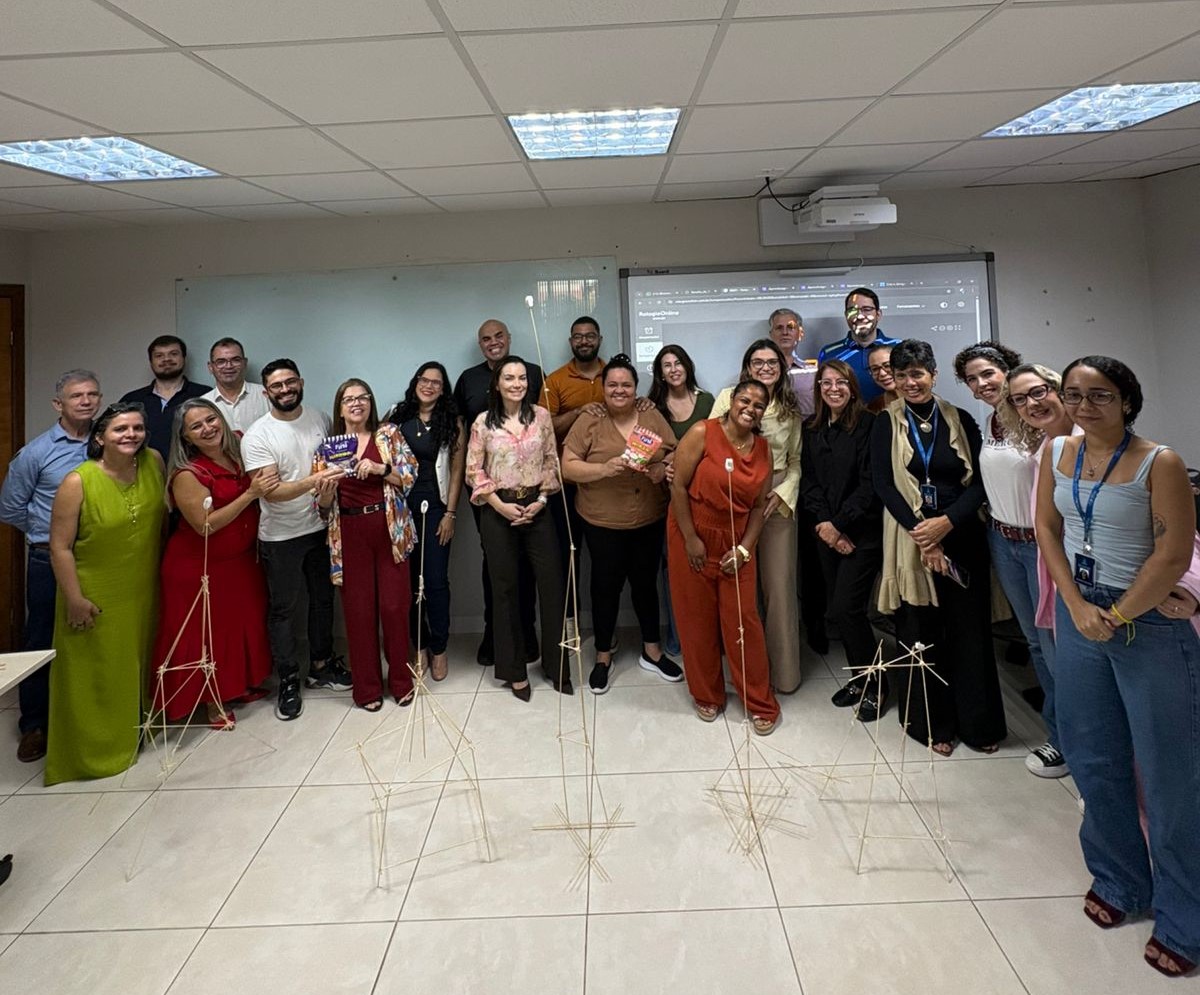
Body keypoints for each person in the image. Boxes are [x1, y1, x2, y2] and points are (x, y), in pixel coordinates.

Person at [1035, 356, 1200, 979]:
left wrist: (1120, 612)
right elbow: (1047, 528)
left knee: (1169, 773)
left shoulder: (1161, 462)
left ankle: (1185, 919)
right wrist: (1077, 606)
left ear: (1127, 400)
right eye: (1073, 394)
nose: (1083, 405)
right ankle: (1120, 880)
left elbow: (1173, 553)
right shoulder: (1058, 453)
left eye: (1099, 395)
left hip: (1147, 621)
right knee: (1093, 756)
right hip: (1082, 616)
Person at [870, 339, 1006, 755]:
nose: (910, 383)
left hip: (962, 533)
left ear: (933, 374)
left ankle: (979, 726)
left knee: (970, 632)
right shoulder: (885, 422)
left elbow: (980, 481)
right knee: (920, 632)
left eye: (917, 374)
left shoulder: (960, 418)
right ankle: (932, 726)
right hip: (911, 539)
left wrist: (947, 523)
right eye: (902, 375)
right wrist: (924, 535)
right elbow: (884, 485)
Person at [956, 343, 1068, 779]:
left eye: (988, 373)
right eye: (972, 379)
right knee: (1037, 643)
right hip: (1004, 541)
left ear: (1008, 371)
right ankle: (1061, 735)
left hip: (1043, 546)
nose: (981, 384)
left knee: (1059, 646)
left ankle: (1073, 741)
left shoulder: (1041, 421)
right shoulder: (991, 423)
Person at [43, 402, 165, 785]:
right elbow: (59, 547)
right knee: (97, 670)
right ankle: (94, 752)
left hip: (143, 584)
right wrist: (75, 599)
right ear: (100, 437)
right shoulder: (78, 482)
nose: (131, 435)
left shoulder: (153, 462)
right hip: (94, 589)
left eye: (137, 428)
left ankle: (135, 730)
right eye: (120, 429)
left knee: (136, 660)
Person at [152, 399, 276, 728]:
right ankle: (211, 702)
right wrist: (249, 495)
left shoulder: (239, 448)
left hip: (240, 562)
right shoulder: (187, 473)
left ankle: (238, 685)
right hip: (200, 567)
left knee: (239, 627)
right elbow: (204, 525)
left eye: (211, 419)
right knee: (206, 635)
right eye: (197, 426)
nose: (208, 429)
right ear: (186, 436)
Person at [562, 354, 679, 693]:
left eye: (626, 385)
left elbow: (675, 451)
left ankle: (652, 651)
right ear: (603, 388)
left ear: (636, 388)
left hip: (648, 518)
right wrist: (603, 469)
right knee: (604, 588)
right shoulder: (591, 419)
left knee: (645, 585)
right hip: (602, 522)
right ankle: (603, 655)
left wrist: (661, 468)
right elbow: (567, 466)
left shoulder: (650, 414)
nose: (619, 390)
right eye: (612, 384)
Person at [668, 379, 779, 733]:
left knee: (744, 622)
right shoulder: (703, 432)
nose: (750, 408)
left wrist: (745, 549)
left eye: (758, 405)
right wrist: (690, 538)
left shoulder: (764, 450)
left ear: (764, 412)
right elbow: (678, 486)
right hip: (693, 533)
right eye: (744, 400)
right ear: (732, 401)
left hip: (737, 542)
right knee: (696, 620)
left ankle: (759, 701)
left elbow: (759, 507)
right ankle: (707, 694)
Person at [0, 370, 100, 762]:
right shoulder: (37, 453)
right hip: (48, 559)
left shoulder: (107, 441)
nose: (86, 401)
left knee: (92, 635)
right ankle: (35, 725)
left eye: (92, 394)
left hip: (97, 557)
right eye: (77, 396)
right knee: (42, 640)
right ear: (59, 404)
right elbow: (10, 508)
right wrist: (49, 532)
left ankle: (87, 716)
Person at [241, 359, 349, 721]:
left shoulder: (320, 419)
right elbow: (271, 493)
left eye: (290, 382)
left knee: (322, 601)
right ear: (266, 392)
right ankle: (288, 679)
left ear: (300, 382)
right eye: (277, 386)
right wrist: (315, 481)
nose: (285, 390)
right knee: (284, 610)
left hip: (321, 527)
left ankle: (321, 666)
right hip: (281, 536)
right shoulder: (259, 435)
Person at [465, 356, 568, 701]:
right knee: (505, 590)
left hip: (538, 507)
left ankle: (556, 666)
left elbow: (552, 460)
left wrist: (542, 500)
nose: (517, 384)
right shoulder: (483, 422)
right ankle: (515, 671)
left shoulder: (541, 417)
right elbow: (474, 471)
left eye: (522, 378)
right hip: (499, 510)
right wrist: (500, 506)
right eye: (509, 378)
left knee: (553, 587)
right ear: (497, 384)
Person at [315, 380, 418, 711]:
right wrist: (326, 492)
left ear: (371, 403)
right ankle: (367, 689)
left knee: (395, 608)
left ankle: (401, 681)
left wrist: (380, 468)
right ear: (339, 408)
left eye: (363, 397)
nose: (356, 403)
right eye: (349, 399)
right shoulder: (327, 448)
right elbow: (320, 507)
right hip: (348, 534)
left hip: (390, 532)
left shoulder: (388, 435)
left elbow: (409, 476)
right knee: (358, 614)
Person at [711, 339, 804, 693]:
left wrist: (781, 493)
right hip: (734, 495)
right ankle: (747, 676)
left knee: (779, 589)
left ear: (781, 368)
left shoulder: (790, 408)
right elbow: (712, 443)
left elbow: (796, 461)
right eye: (757, 362)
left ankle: (784, 676)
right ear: (747, 367)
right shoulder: (727, 397)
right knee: (740, 591)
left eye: (772, 362)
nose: (765, 368)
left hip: (777, 498)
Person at [453, 319, 543, 667]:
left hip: (531, 490)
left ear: (509, 338)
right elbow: (459, 433)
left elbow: (546, 424)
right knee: (495, 563)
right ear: (481, 345)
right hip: (487, 492)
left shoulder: (533, 372)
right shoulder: (468, 379)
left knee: (528, 563)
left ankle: (528, 634)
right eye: (486, 339)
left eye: (499, 336)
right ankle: (495, 636)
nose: (493, 342)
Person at [800, 360, 884, 721]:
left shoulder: (870, 425)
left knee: (850, 608)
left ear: (852, 387)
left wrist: (840, 525)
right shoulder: (812, 427)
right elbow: (809, 481)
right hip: (826, 534)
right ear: (818, 388)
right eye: (826, 383)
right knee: (839, 610)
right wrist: (826, 525)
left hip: (862, 533)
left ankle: (876, 686)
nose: (833, 389)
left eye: (841, 382)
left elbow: (870, 485)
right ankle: (859, 679)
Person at [389, 363, 464, 683]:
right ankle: (418, 645)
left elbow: (457, 470)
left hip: (436, 508)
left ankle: (439, 648)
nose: (429, 386)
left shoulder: (453, 422)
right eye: (424, 379)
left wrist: (451, 513)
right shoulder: (397, 417)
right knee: (406, 583)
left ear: (443, 389)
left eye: (437, 382)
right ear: (415, 382)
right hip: (399, 509)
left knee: (434, 581)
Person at [649, 344, 715, 656]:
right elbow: (645, 454)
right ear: (660, 373)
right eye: (667, 365)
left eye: (678, 363)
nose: (673, 369)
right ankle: (678, 640)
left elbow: (716, 447)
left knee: (705, 568)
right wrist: (662, 464)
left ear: (687, 366)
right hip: (666, 501)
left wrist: (677, 458)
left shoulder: (708, 402)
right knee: (674, 572)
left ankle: (708, 640)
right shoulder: (651, 407)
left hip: (704, 500)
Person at [119, 334, 210, 460]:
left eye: (173, 354)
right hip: (143, 469)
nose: (166, 359)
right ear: (151, 362)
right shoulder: (131, 400)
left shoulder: (204, 395)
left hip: (194, 469)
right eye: (159, 355)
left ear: (184, 358)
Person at [818, 287, 901, 407]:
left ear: (878, 314)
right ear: (846, 315)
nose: (860, 316)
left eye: (867, 310)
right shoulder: (829, 353)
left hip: (893, 416)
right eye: (853, 310)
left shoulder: (899, 347)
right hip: (847, 418)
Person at [202, 336, 270, 433]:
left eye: (235, 360)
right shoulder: (204, 404)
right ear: (211, 367)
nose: (229, 366)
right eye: (221, 362)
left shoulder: (266, 395)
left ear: (245, 363)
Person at [768, 308, 818, 417]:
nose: (785, 332)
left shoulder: (814, 373)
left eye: (791, 327)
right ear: (771, 335)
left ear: (800, 333)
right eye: (779, 328)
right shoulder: (761, 372)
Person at [866, 342, 899, 412]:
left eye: (887, 366)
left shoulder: (919, 398)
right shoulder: (873, 407)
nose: (882, 373)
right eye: (875, 369)